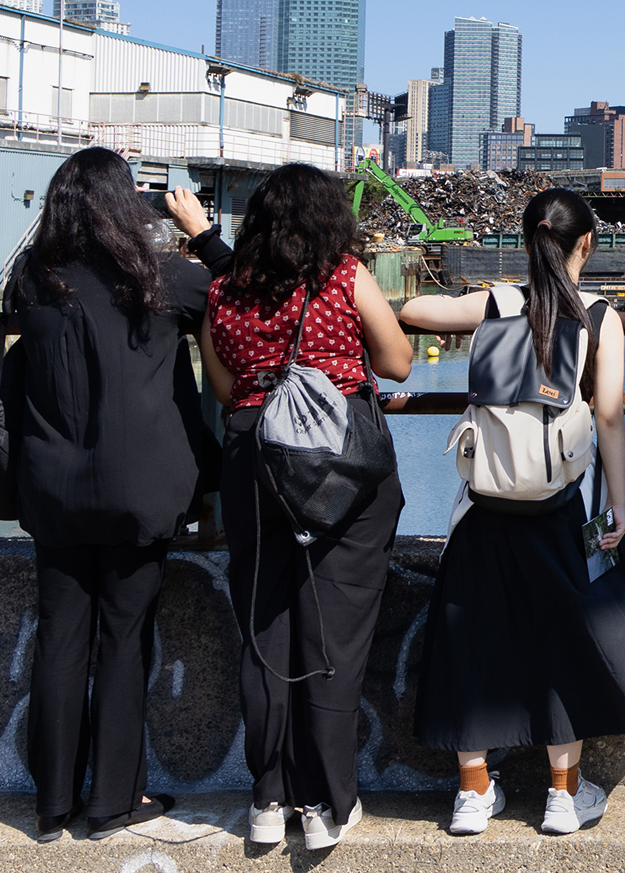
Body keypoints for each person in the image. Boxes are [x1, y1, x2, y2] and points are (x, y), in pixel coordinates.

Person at [401, 188, 625, 837]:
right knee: (563, 644)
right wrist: (618, 505)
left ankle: (472, 794)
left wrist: (477, 302)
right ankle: (562, 795)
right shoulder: (601, 315)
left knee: (470, 643)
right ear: (587, 245)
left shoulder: (496, 303)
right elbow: (608, 417)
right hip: (555, 510)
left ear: (528, 242)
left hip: (485, 505)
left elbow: (413, 307)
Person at [200, 163, 412, 850]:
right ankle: (323, 802)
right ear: (330, 220)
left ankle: (267, 797)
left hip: (253, 463)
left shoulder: (223, 291)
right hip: (340, 470)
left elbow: (227, 385)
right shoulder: (345, 277)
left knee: (265, 632)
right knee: (334, 637)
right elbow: (399, 362)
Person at [11, 147, 212, 841]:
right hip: (140, 488)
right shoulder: (164, 277)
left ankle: (52, 802)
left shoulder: (34, 278)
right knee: (125, 640)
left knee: (61, 637)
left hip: (53, 488)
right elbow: (244, 289)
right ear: (128, 204)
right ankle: (113, 801)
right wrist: (203, 229)